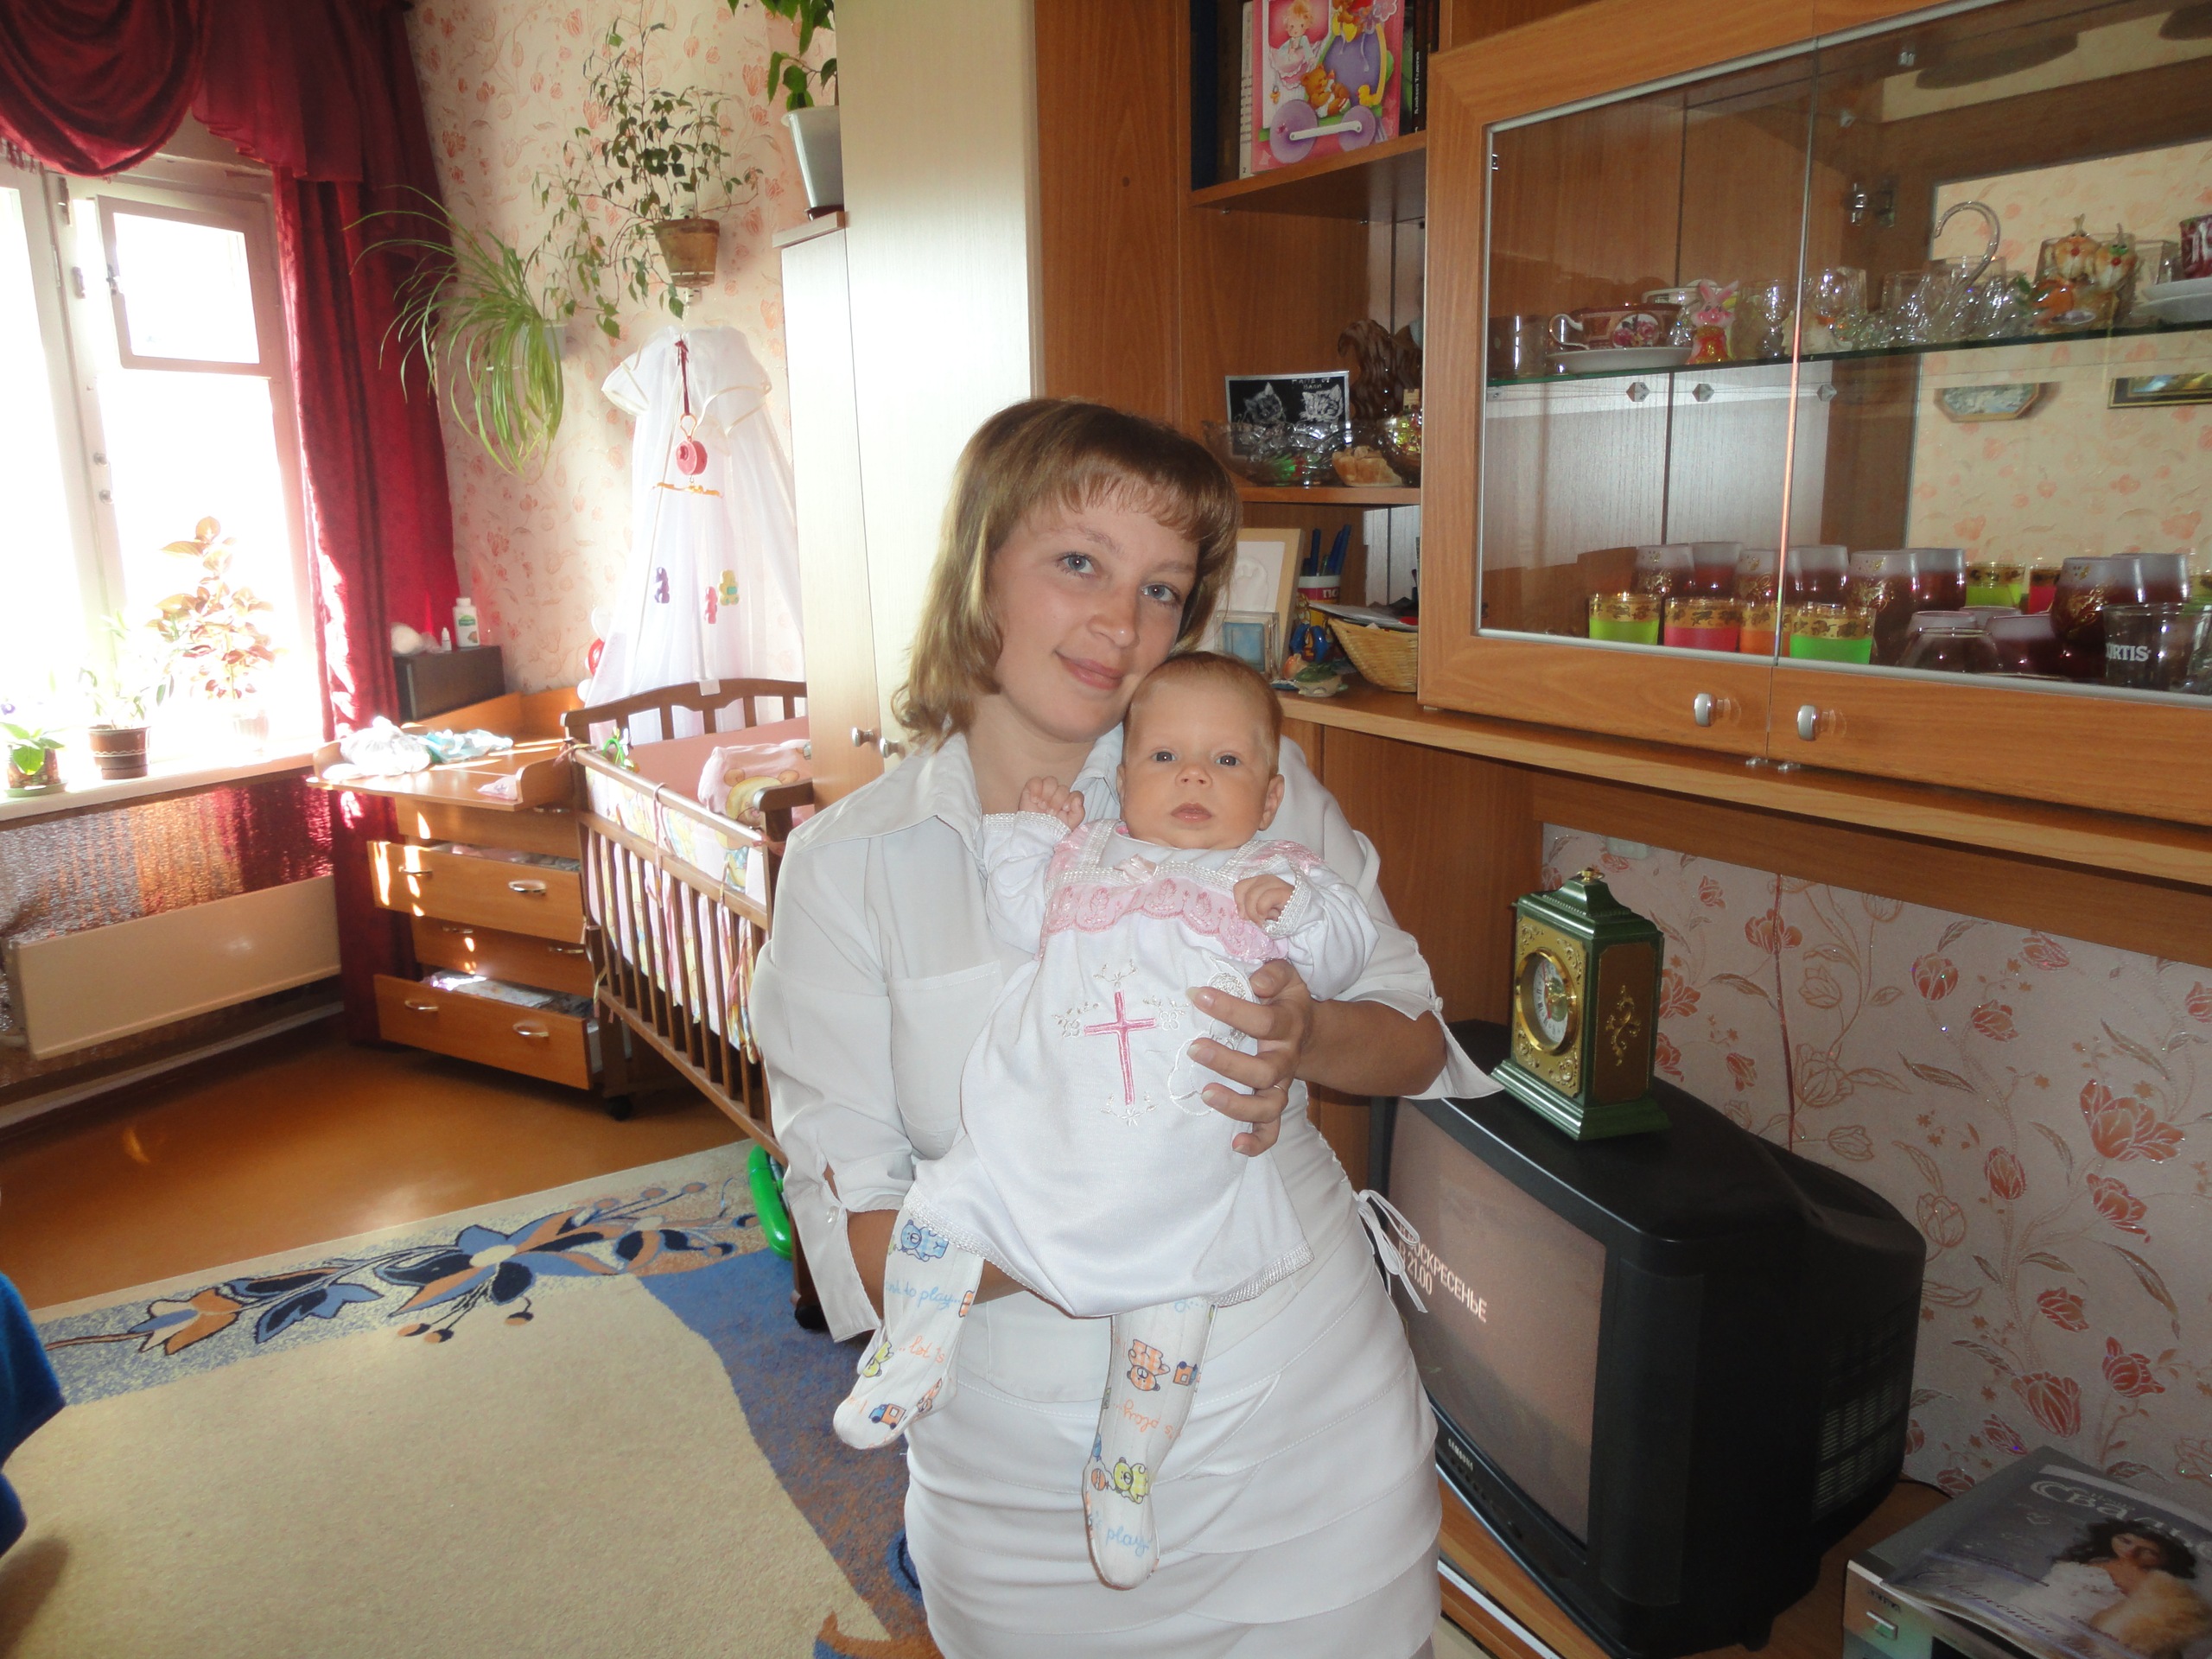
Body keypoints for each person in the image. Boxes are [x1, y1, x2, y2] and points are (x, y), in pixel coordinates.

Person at [753, 397, 1492, 1658]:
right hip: (1016, 1491)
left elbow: (1418, 1040)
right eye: (1079, 563)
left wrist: (1304, 1037)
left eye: (1162, 589)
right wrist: (1109, 1200)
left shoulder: (1233, 782)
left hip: (1308, 1430)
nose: (1122, 625)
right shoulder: (850, 870)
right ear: (980, 564)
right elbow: (864, 1251)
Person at [835, 652, 1394, 1592]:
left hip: (1184, 1168)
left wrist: (1300, 911)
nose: (1192, 778)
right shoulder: (1087, 857)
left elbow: (1344, 954)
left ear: (1268, 799)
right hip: (1044, 1136)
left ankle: (1124, 1476)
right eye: (1166, 757)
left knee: (1170, 1329)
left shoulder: (1272, 872)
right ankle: (911, 1360)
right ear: (1123, 776)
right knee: (941, 1217)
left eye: (1225, 763)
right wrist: (1032, 833)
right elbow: (1016, 914)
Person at [2059, 1525, 2212, 1659]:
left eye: (2148, 1551)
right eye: (2125, 1541)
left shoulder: (2156, 1586)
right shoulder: (2094, 1559)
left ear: (2166, 1559)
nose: (2131, 1551)